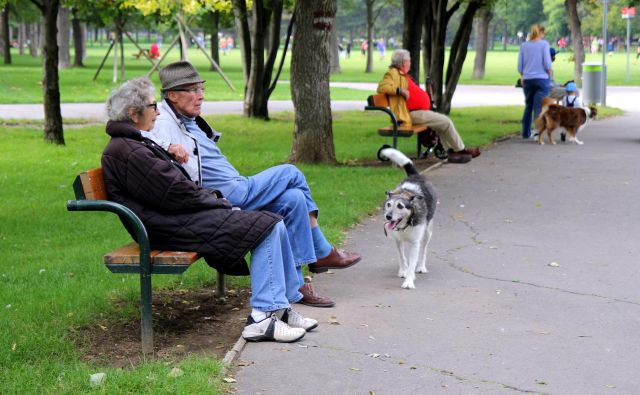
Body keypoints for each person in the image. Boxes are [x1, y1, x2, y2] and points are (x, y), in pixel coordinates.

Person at [101, 77, 317, 343]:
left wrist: (212, 198)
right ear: (134, 113)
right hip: (166, 227)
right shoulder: (128, 150)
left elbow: (172, 188)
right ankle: (262, 318)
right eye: (153, 105)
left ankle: (279, 309)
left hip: (175, 219)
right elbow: (174, 193)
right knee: (267, 226)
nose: (158, 111)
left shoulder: (133, 143)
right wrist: (219, 202)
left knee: (274, 222)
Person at [146, 61, 362, 308]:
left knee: (294, 199)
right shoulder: (163, 120)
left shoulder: (188, 118)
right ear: (172, 95)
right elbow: (141, 137)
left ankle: (297, 286)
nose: (201, 95)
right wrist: (168, 147)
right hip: (227, 195)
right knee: (292, 172)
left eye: (201, 88)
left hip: (235, 187)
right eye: (193, 90)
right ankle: (321, 251)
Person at [377, 49, 481, 164]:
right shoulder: (393, 73)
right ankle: (461, 150)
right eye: (409, 61)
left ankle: (452, 152)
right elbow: (382, 87)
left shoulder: (402, 74)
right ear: (403, 62)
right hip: (409, 114)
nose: (410, 63)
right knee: (446, 122)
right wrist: (399, 90)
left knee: (442, 124)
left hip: (416, 112)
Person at [517, 24, 553, 139]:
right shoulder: (544, 44)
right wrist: (550, 73)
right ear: (541, 33)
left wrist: (523, 76)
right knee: (539, 107)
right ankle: (538, 132)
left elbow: (520, 66)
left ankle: (525, 132)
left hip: (527, 80)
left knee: (528, 106)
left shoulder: (524, 46)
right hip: (542, 79)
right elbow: (547, 63)